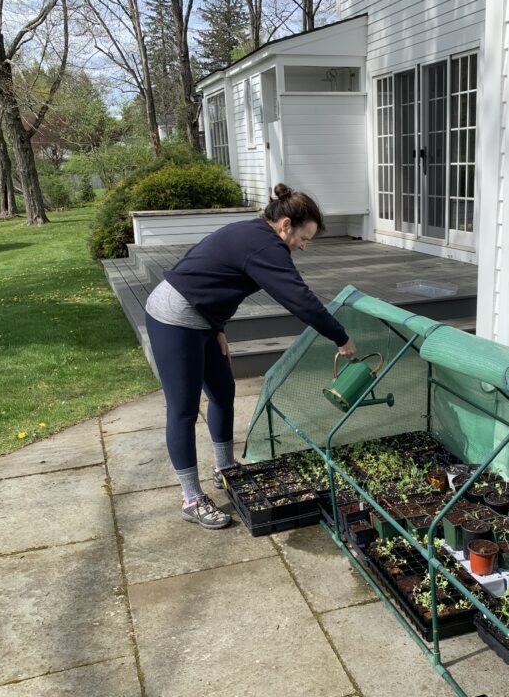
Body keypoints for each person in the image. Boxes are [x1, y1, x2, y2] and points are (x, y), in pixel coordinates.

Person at [144, 183, 357, 529]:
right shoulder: (265, 245)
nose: (303, 246)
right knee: (183, 410)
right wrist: (341, 337)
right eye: (304, 238)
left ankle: (225, 467)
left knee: (223, 393)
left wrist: (218, 327)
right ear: (285, 224)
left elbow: (214, 275)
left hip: (204, 319)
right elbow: (299, 299)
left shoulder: (254, 234)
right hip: (174, 317)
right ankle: (191, 498)